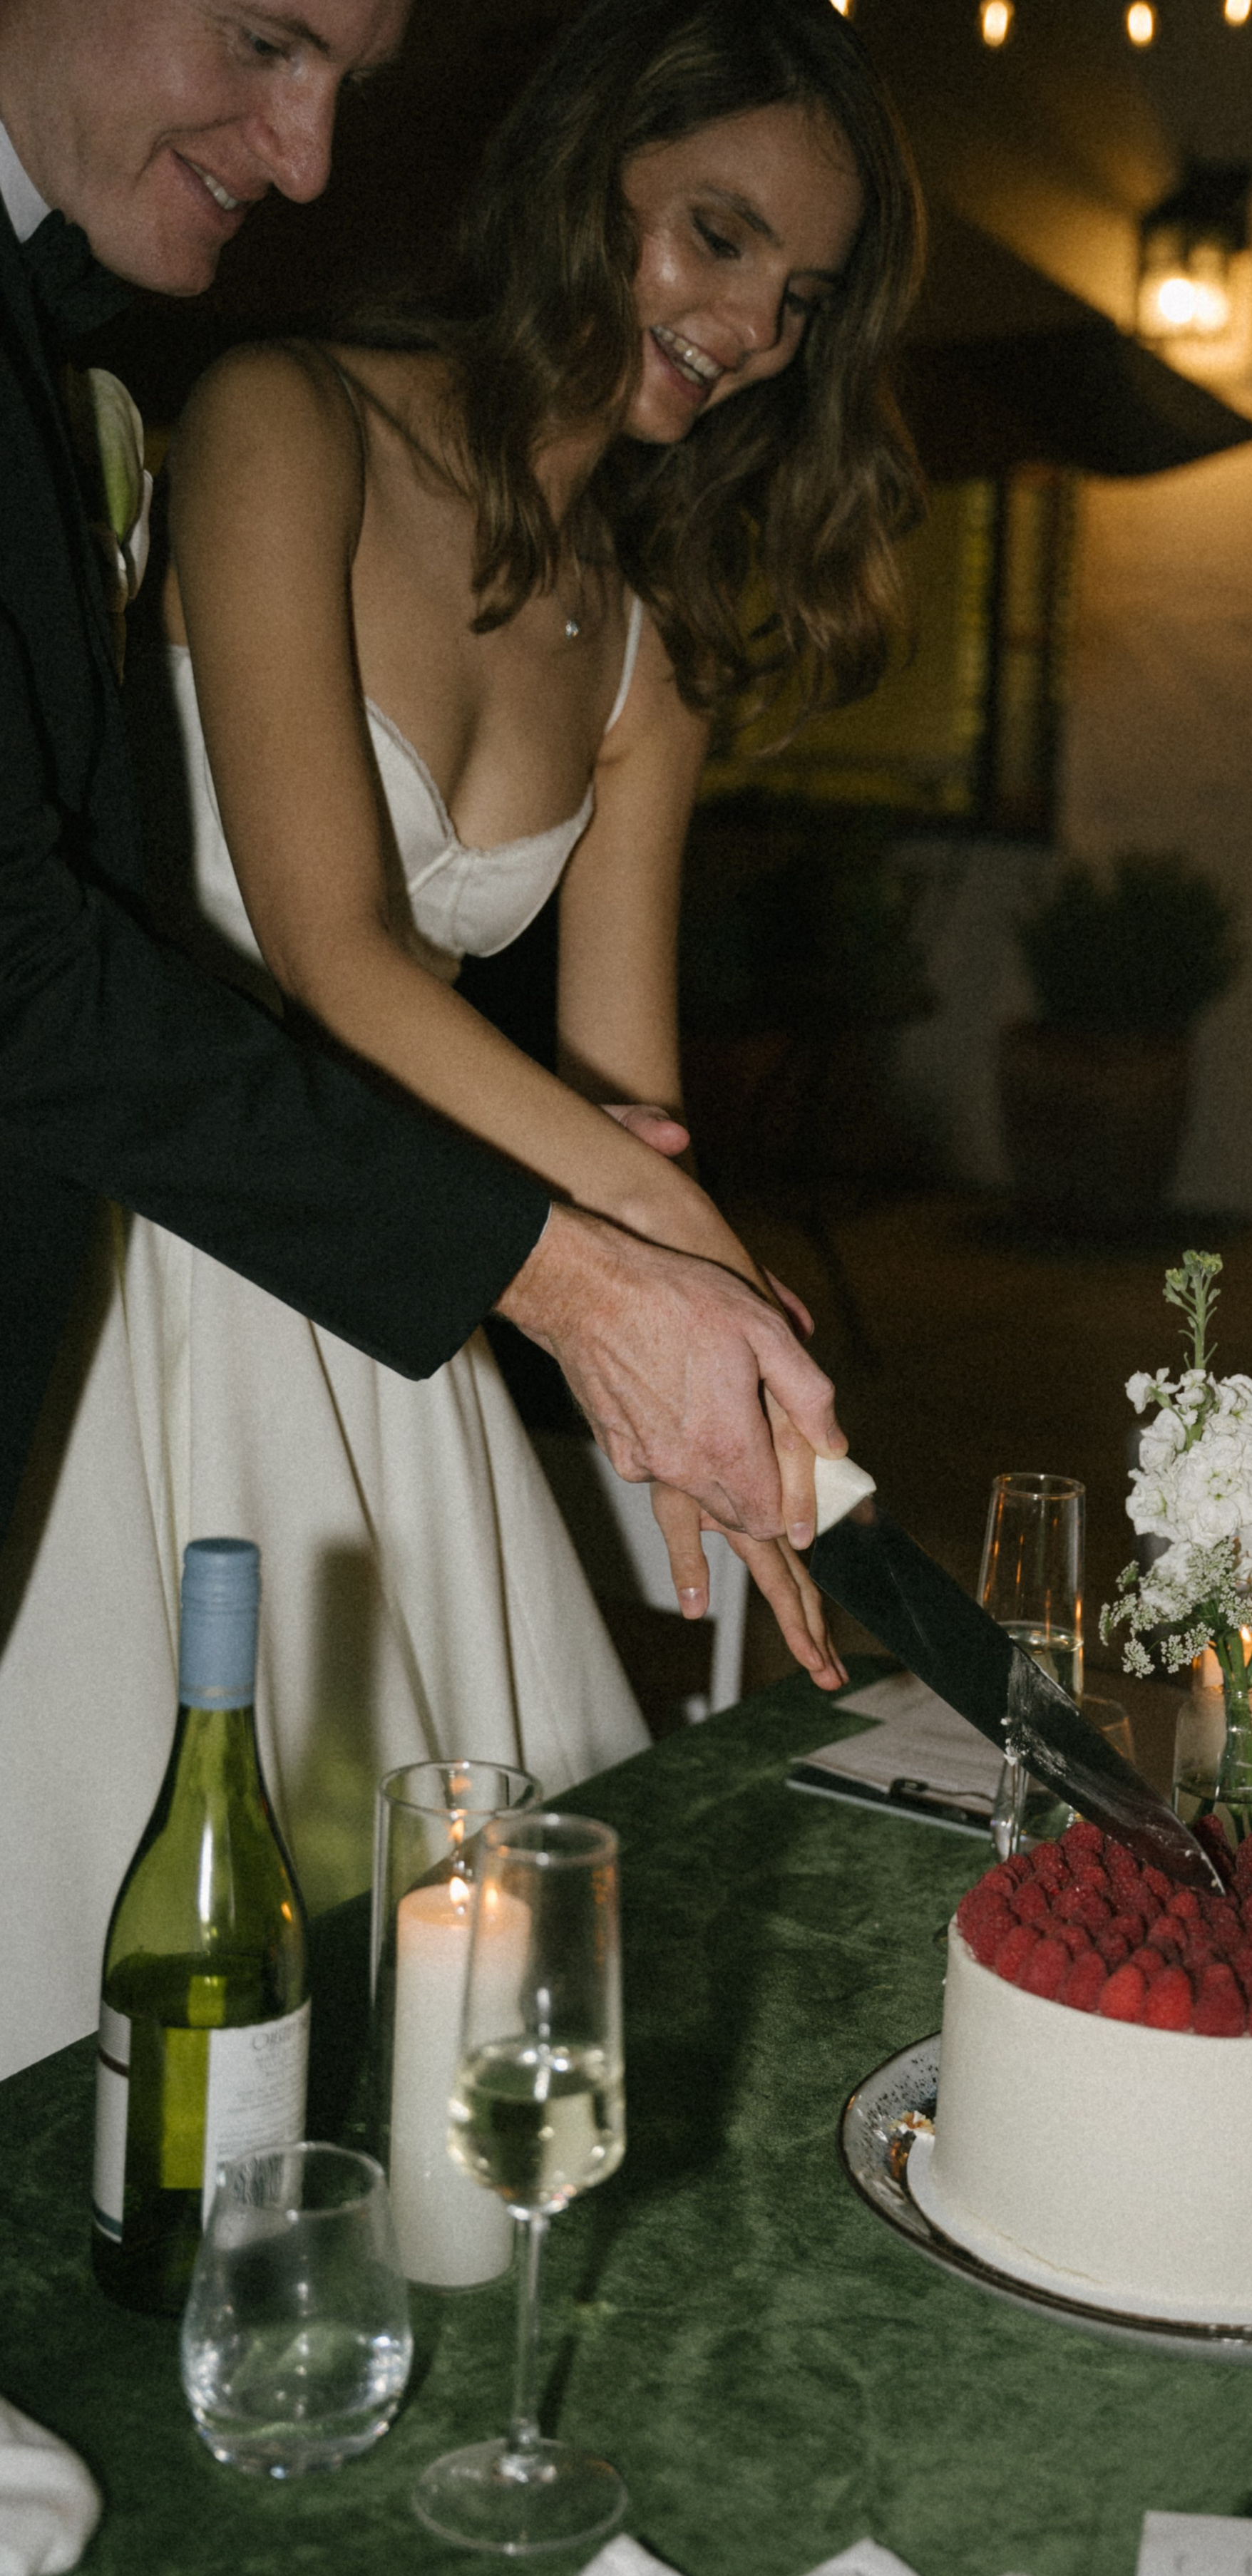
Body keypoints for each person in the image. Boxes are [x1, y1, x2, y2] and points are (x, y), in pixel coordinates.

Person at [0, 0, 908, 2073]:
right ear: (588, 181)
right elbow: (335, 955)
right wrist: (682, 1293)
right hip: (158, 1240)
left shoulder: (642, 660)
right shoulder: (281, 416)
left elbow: (627, 1111)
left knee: (447, 1997)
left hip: (407, 1304)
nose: (753, 319)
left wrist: (732, 1373)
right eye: (716, 232)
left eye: (800, 292)